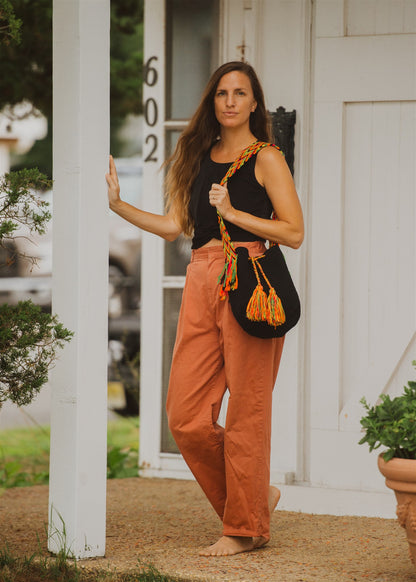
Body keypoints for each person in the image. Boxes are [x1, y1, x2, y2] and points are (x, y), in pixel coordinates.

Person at [106, 61, 304, 557]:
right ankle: (256, 501)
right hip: (201, 278)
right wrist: (119, 206)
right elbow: (175, 226)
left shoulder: (267, 158)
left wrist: (235, 214)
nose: (231, 101)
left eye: (241, 93)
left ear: (255, 103)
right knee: (186, 416)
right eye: (222, 93)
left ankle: (244, 528)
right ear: (212, 102)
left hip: (249, 278)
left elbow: (294, 232)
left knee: (247, 413)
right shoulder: (196, 154)